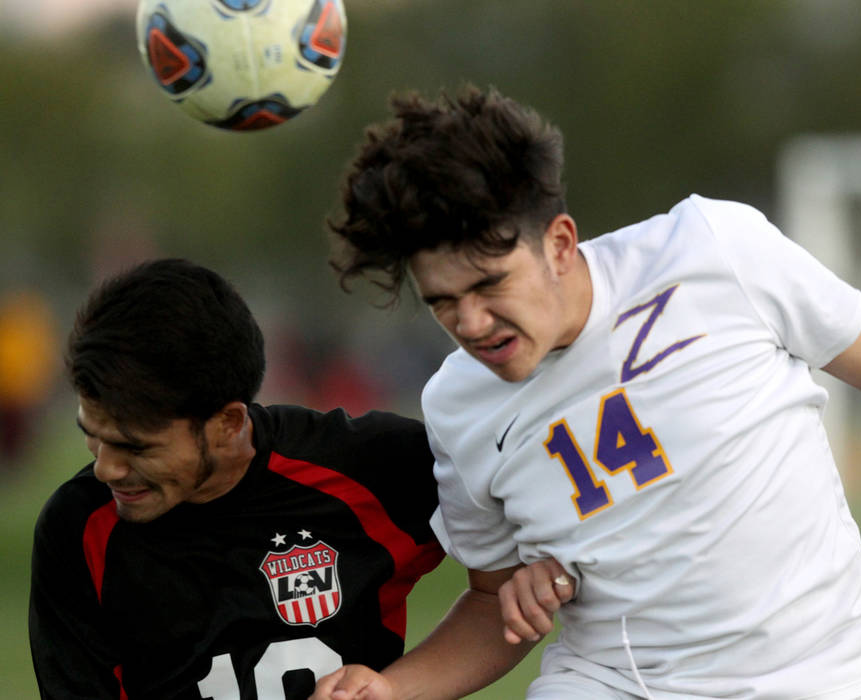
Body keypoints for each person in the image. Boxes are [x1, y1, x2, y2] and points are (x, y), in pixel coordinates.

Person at [319, 86, 861, 699]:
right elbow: (493, 600)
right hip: (610, 683)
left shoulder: (714, 253)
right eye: (442, 302)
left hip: (817, 680)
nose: (470, 323)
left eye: (489, 285)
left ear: (561, 244)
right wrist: (395, 687)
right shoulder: (456, 404)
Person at [29, 258, 568, 700]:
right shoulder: (78, 528)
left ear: (228, 423)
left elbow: (502, 593)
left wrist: (394, 689)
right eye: (92, 435)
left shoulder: (372, 469)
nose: (106, 467)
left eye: (135, 447)